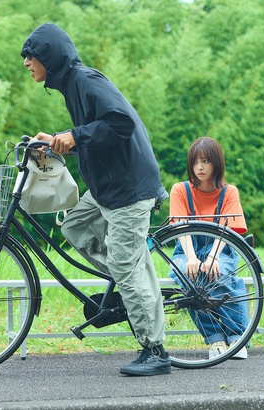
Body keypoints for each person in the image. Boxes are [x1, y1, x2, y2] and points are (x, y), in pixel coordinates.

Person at [21, 23, 170, 376]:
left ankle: (156, 350)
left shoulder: (84, 80)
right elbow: (95, 136)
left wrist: (73, 135)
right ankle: (130, 280)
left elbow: (121, 123)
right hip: (107, 188)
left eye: (30, 56)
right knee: (73, 224)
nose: (26, 63)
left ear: (48, 57)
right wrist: (59, 140)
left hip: (128, 189)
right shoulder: (70, 85)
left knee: (126, 264)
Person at [168, 137, 250, 359]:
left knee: (221, 275)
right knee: (189, 278)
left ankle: (237, 338)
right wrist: (192, 257)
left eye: (205, 161)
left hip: (221, 248)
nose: (199, 168)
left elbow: (227, 230)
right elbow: (180, 226)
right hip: (186, 249)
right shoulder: (180, 190)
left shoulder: (229, 192)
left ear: (216, 162)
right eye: (195, 163)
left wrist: (212, 256)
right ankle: (215, 339)